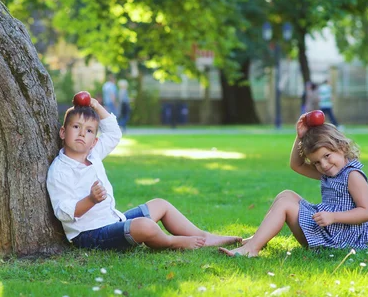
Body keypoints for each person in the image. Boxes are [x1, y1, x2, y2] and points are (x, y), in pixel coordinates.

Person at [47, 98, 241, 251]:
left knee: (160, 205)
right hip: (89, 234)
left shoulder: (94, 154)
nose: (82, 133)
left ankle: (204, 236)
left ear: (94, 141)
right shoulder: (60, 170)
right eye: (76, 127)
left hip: (113, 221)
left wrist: (95, 105)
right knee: (144, 226)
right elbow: (64, 212)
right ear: (63, 132)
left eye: (89, 130)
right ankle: (172, 242)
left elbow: (114, 133)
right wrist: (91, 199)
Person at [219, 115, 368, 257]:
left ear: (342, 147)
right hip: (328, 229)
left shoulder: (353, 175)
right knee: (286, 195)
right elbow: (296, 165)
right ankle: (259, 239)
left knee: (286, 204)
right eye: (316, 162)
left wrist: (333, 217)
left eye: (327, 156)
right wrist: (300, 137)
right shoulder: (331, 172)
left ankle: (251, 249)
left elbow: (367, 212)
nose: (324, 165)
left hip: (340, 240)